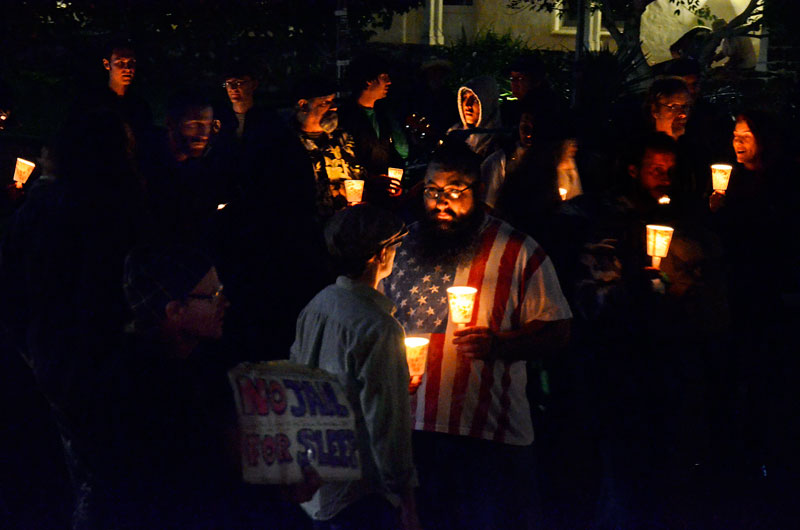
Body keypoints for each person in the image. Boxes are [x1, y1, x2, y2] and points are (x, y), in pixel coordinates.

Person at [382, 141, 572, 529]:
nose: (440, 203)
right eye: (432, 191)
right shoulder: (399, 246)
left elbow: (558, 330)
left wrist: (501, 344)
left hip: (490, 434)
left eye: (454, 191)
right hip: (410, 429)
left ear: (479, 191)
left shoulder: (518, 251)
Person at [290, 204, 421, 530]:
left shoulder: (319, 303)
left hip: (317, 483)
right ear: (379, 255)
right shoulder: (379, 327)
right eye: (394, 246)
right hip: (358, 494)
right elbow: (387, 425)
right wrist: (405, 498)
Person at [291, 75, 358, 218]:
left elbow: (357, 177)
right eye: (325, 102)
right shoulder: (285, 144)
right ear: (303, 105)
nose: (334, 107)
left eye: (333, 101)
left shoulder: (342, 139)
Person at [338, 54, 408, 180]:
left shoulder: (383, 114)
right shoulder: (345, 116)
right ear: (368, 80)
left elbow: (402, 151)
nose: (389, 82)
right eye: (384, 77)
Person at [70, 38, 153, 142]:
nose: (127, 68)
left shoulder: (139, 106)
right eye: (120, 62)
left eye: (131, 62)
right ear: (107, 64)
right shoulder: (91, 103)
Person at [447, 76, 505, 160]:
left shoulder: (497, 144)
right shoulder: (453, 134)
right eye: (465, 98)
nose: (467, 105)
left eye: (474, 99)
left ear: (487, 102)